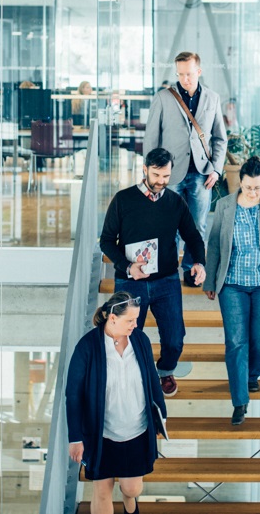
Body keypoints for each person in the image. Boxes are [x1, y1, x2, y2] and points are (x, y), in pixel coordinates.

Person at [100, 147, 206, 396]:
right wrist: (127, 267)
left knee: (174, 338)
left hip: (167, 281)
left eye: (166, 176)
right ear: (145, 170)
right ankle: (128, 376)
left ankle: (166, 371)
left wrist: (199, 262)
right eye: (156, 175)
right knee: (125, 336)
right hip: (130, 281)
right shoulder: (123, 200)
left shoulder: (175, 202)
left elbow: (193, 236)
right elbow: (106, 241)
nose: (161, 181)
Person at [203, 156, 260, 425]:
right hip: (231, 284)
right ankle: (239, 401)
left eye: (258, 187)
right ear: (239, 183)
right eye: (248, 188)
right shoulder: (224, 206)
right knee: (235, 342)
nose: (254, 193)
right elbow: (214, 246)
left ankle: (253, 374)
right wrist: (210, 282)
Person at [66, 292, 166, 514]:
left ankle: (129, 501)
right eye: (130, 320)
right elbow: (73, 395)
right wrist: (75, 437)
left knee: (132, 489)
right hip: (102, 435)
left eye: (136, 319)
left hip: (137, 431)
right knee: (102, 492)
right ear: (112, 318)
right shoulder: (87, 346)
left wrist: (161, 418)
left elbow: (152, 380)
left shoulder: (140, 341)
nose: (135, 324)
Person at [143, 51, 227, 286]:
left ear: (198, 71)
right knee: (166, 224)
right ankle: (166, 270)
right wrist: (150, 172)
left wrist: (216, 169)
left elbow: (220, 138)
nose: (184, 79)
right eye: (180, 74)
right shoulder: (163, 97)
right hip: (169, 174)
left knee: (197, 225)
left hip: (201, 173)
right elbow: (151, 137)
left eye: (189, 74)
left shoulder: (212, 98)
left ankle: (192, 270)